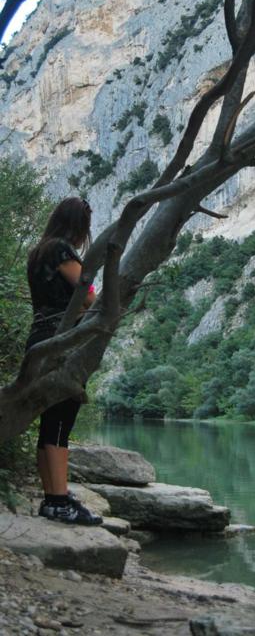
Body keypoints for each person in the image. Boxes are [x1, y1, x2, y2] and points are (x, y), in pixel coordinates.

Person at [26, 197, 99, 526]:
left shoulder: (38, 250)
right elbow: (87, 294)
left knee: (51, 420)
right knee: (60, 421)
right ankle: (57, 500)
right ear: (77, 225)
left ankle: (54, 496)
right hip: (61, 342)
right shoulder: (61, 250)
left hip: (40, 340)